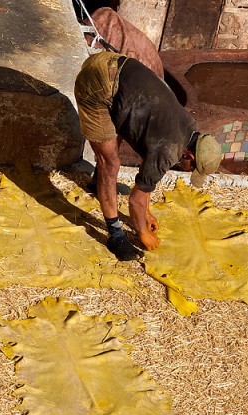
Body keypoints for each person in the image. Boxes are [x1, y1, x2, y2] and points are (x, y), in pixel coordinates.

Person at [74, 51, 223, 261]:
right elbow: (135, 201)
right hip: (97, 82)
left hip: (115, 63)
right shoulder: (170, 151)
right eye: (193, 166)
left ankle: (96, 183)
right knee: (110, 163)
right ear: (189, 154)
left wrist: (146, 213)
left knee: (115, 139)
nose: (188, 170)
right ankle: (115, 234)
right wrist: (142, 232)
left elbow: (148, 173)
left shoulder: (187, 126)